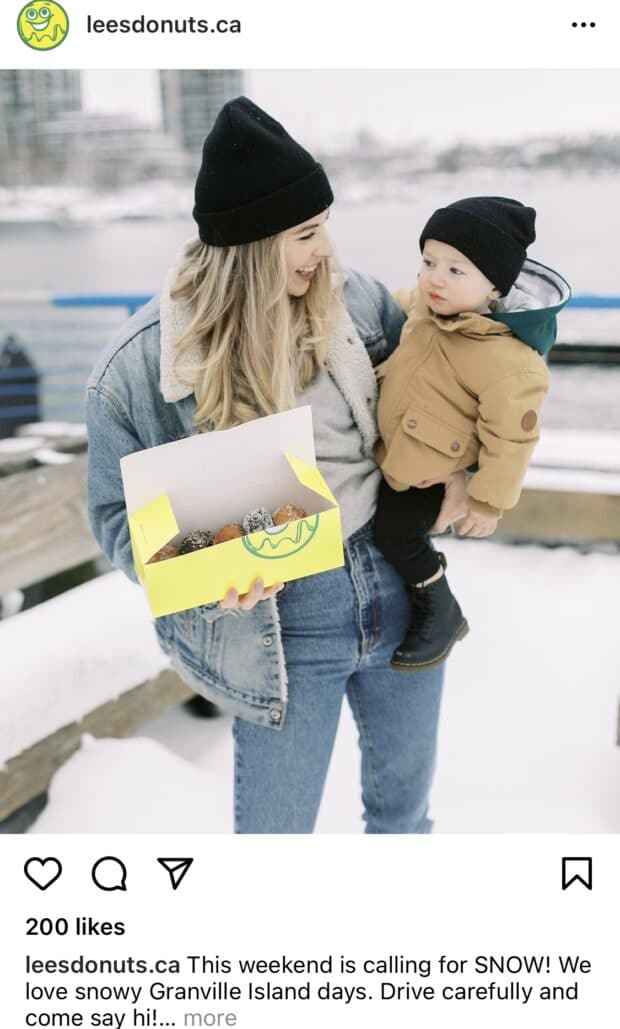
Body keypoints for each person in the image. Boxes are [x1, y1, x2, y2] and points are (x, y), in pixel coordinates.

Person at [86, 97, 465, 834]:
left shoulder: (353, 301)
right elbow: (114, 519)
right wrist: (203, 566)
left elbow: (430, 402)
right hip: (280, 623)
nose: (325, 249)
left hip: (397, 584)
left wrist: (459, 466)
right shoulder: (136, 366)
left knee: (404, 816)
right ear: (252, 245)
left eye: (325, 226)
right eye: (305, 233)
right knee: (273, 840)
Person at [373, 196, 571, 671]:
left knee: (395, 533)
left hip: (431, 472)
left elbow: (513, 440)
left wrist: (486, 500)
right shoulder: (423, 307)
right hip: (393, 450)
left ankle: (439, 605)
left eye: (457, 270)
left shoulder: (509, 362)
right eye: (429, 262)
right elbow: (389, 300)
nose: (436, 278)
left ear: (494, 287)